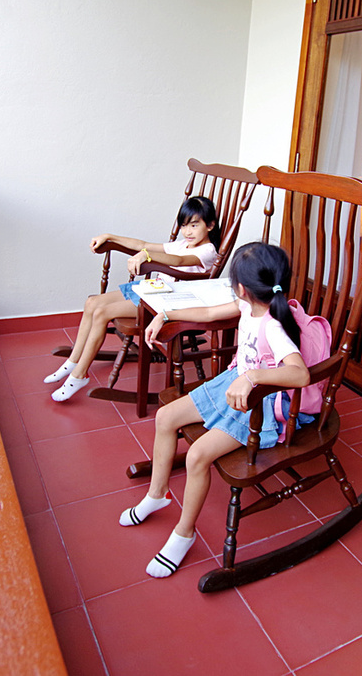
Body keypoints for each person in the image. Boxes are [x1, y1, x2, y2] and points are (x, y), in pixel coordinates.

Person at [119, 242, 311, 578]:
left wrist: (253, 377)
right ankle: (156, 495)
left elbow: (300, 373)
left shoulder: (273, 325)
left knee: (196, 456)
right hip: (234, 384)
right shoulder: (247, 304)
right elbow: (209, 314)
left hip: (257, 402)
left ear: (240, 287)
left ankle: (184, 533)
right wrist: (165, 315)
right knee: (165, 417)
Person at [45, 196, 221, 402]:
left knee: (102, 312)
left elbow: (178, 261)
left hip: (166, 300)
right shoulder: (182, 244)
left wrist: (147, 255)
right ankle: (73, 361)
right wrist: (110, 237)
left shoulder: (208, 251)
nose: (188, 231)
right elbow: (143, 244)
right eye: (184, 225)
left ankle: (79, 375)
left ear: (209, 225)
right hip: (153, 289)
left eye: (194, 225)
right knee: (92, 302)